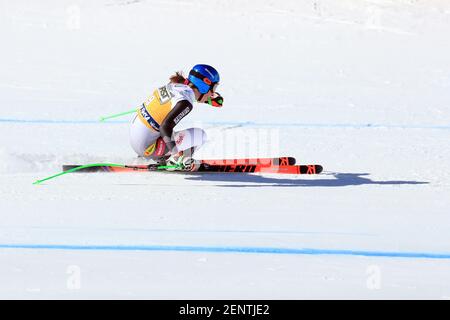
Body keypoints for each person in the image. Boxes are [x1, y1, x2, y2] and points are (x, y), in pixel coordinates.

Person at [129, 64, 223, 170]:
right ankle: (174, 161)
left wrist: (208, 99)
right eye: (214, 88)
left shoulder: (176, 85)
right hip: (147, 147)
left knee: (169, 130)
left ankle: (162, 156)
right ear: (204, 84)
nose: (213, 93)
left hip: (136, 138)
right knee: (199, 135)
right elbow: (165, 127)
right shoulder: (185, 103)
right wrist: (176, 154)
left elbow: (186, 95)